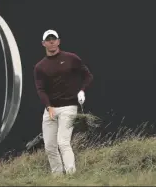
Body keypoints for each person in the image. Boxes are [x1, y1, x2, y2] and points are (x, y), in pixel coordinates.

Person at [33, 29, 93, 175]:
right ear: (43, 43)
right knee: (49, 146)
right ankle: (58, 177)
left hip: (69, 107)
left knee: (63, 142)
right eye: (48, 39)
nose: (52, 42)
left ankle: (71, 175)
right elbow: (40, 89)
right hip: (51, 109)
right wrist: (48, 106)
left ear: (59, 41)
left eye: (54, 39)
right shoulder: (40, 66)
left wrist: (82, 90)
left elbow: (88, 75)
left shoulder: (71, 58)